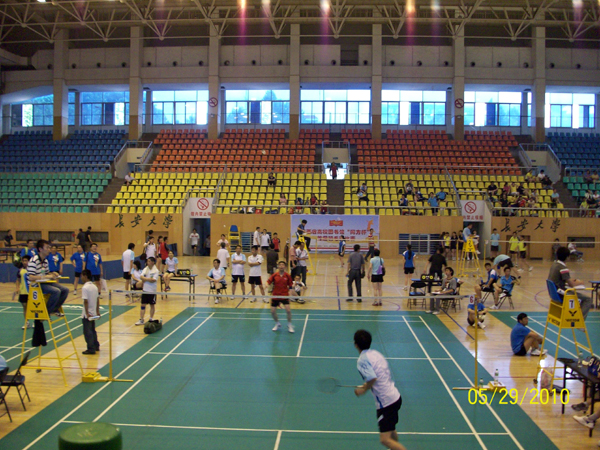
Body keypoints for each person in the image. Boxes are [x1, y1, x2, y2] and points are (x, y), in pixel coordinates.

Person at [353, 329, 406, 450]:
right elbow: (378, 375)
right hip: (395, 397)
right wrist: (366, 385)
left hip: (386, 403)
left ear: (356, 344)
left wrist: (363, 390)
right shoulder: (376, 354)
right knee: (391, 430)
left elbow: (372, 378)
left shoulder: (362, 360)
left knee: (385, 440)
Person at [548, 246, 592, 319]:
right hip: (561, 294)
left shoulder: (554, 265)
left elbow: (563, 280)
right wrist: (580, 282)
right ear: (567, 257)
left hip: (554, 293)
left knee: (579, 297)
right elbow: (572, 284)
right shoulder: (562, 267)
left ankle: (576, 316)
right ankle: (579, 320)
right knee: (588, 299)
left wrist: (571, 281)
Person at [27, 240, 69, 315]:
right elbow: (31, 277)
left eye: (49, 248)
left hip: (44, 283)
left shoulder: (45, 260)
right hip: (36, 285)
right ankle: (47, 312)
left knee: (65, 290)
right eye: (47, 248)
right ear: (40, 249)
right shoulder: (33, 260)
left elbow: (46, 273)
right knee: (56, 291)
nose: (49, 250)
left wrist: (53, 273)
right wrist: (45, 276)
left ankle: (54, 309)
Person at [266, 261, 294, 333]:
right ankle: (277, 323)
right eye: (280, 265)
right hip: (275, 295)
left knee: (288, 311)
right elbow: (268, 281)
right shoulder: (274, 275)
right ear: (278, 267)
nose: (281, 266)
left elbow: (290, 285)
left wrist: (290, 293)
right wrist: (266, 285)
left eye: (283, 265)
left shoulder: (287, 275)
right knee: (272, 311)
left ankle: (289, 325)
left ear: (285, 267)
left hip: (284, 295)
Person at [80, 269, 100, 355]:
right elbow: (97, 299)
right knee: (93, 330)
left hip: (87, 314)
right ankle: (96, 346)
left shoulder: (85, 287)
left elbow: (85, 301)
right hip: (94, 313)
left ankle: (91, 348)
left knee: (87, 332)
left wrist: (87, 313)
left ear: (85, 276)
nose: (81, 277)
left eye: (82, 276)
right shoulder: (95, 287)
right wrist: (97, 311)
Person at [136, 257, 159, 325]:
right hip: (145, 290)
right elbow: (141, 277)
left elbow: (153, 280)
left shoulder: (156, 271)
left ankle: (151, 318)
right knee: (143, 305)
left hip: (152, 291)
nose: (147, 262)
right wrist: (148, 279)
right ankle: (141, 319)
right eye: (147, 261)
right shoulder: (145, 269)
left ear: (152, 262)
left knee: (152, 305)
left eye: (149, 261)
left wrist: (145, 279)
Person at [14, 255, 31, 329]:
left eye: (26, 260)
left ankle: (36, 322)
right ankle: (27, 322)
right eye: (23, 261)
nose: (24, 262)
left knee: (34, 307)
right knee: (25, 307)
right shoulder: (20, 270)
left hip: (32, 291)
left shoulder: (32, 270)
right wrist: (17, 288)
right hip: (23, 291)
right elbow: (18, 280)